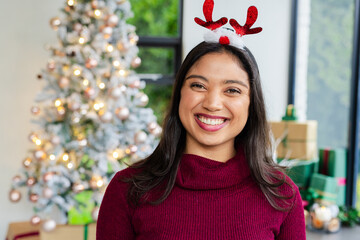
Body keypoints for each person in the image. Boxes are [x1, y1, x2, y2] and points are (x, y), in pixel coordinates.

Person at [96, 41, 306, 239]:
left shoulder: (282, 194)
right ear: (179, 94)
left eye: (232, 90)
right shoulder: (127, 189)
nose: (212, 103)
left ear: (252, 103)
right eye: (198, 85)